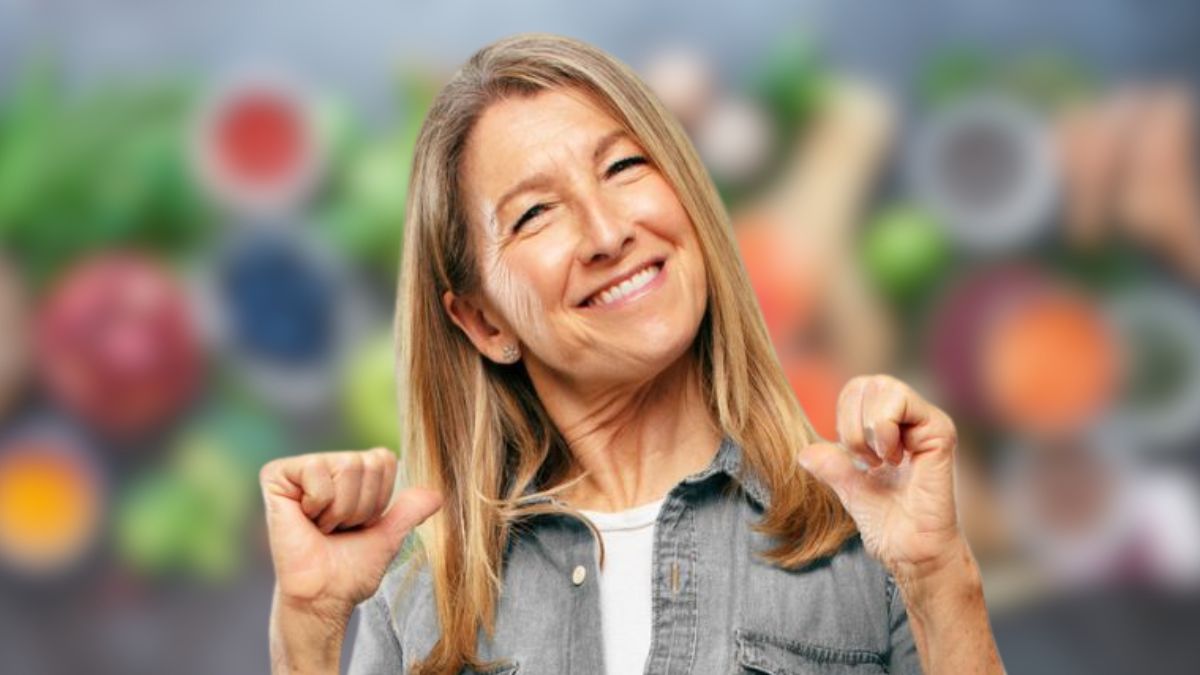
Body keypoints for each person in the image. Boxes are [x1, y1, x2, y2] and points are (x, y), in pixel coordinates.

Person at [259, 32, 1006, 675]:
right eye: (535, 212)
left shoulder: (863, 537)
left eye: (623, 167)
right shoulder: (421, 596)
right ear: (483, 320)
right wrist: (308, 630)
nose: (608, 231)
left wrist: (942, 579)